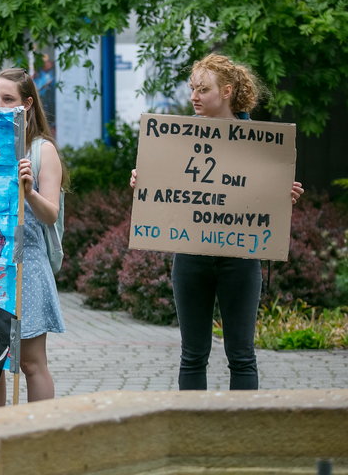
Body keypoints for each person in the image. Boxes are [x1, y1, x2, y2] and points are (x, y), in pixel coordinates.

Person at [129, 53, 304, 390]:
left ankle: (241, 436)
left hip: (240, 259)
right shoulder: (176, 140)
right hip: (191, 256)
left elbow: (263, 196)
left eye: (203, 89)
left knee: (241, 355)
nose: (194, 96)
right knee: (192, 354)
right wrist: (144, 180)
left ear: (226, 91)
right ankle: (195, 435)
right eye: (192, 88)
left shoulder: (262, 143)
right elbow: (164, 187)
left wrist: (284, 197)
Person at [0, 68, 67, 408]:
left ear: (27, 104)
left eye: (8, 99)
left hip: (26, 264)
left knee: (31, 361)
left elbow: (51, 215)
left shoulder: (43, 150)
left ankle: (38, 438)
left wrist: (28, 191)